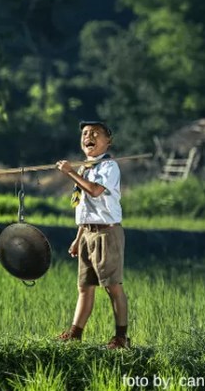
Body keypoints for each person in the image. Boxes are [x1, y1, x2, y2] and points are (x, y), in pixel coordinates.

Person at [55, 120, 130, 349]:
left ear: (108, 141)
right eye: (86, 133)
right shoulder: (83, 168)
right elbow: (84, 207)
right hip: (88, 233)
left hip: (107, 234)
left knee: (112, 286)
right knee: (85, 287)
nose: (89, 136)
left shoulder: (109, 167)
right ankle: (75, 334)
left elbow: (95, 191)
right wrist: (78, 239)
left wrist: (70, 173)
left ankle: (121, 337)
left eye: (96, 133)